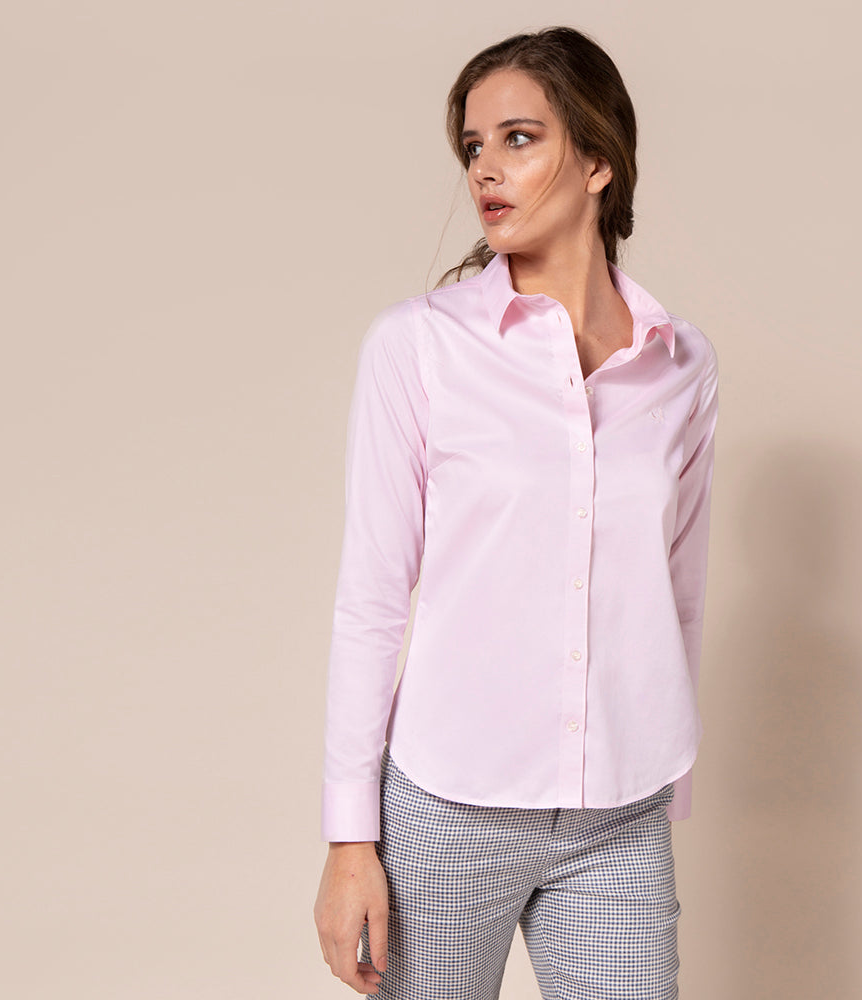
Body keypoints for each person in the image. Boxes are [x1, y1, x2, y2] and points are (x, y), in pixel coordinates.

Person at [314, 25, 718, 1000]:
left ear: (597, 163)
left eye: (519, 139)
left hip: (618, 814)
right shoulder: (418, 348)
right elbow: (372, 598)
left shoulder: (681, 364)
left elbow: (677, 590)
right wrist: (348, 838)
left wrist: (669, 773)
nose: (485, 169)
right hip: (449, 805)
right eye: (473, 146)